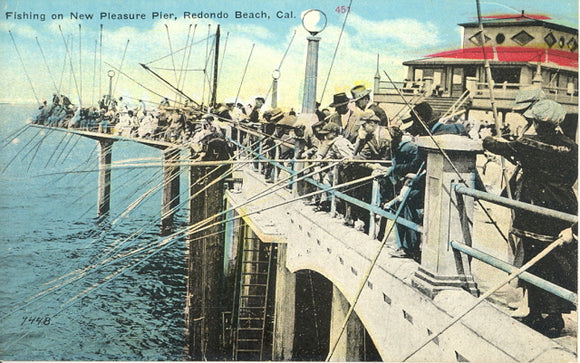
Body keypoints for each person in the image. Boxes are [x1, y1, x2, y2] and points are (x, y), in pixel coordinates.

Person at [482, 92, 577, 338]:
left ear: (536, 121)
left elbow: (499, 147)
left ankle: (537, 314)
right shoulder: (571, 147)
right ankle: (554, 316)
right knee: (558, 261)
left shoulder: (530, 144)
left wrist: (488, 139)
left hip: (535, 207)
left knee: (533, 257)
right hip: (564, 206)